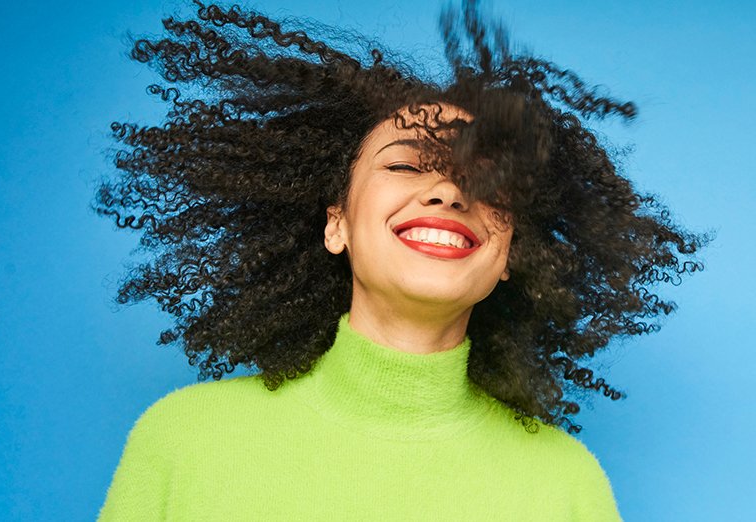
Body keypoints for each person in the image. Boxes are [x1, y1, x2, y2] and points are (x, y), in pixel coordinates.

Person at [95, 1, 707, 520]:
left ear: (511, 257)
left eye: (486, 182)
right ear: (337, 223)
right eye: (406, 165)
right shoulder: (184, 438)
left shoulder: (568, 485)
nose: (448, 192)